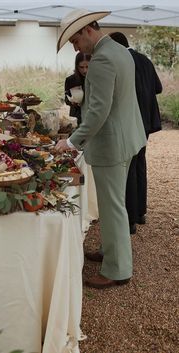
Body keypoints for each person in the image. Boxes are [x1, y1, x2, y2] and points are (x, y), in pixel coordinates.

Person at [55, 9, 147, 289]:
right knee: (111, 204)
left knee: (113, 206)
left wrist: (71, 142)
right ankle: (110, 251)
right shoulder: (119, 50)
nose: (75, 47)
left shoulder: (102, 59)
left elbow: (97, 113)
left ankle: (117, 270)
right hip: (127, 137)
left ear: (87, 30)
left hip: (112, 143)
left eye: (74, 40)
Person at [109, 32, 163, 234]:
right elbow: (158, 87)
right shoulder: (145, 60)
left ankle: (129, 219)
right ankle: (140, 212)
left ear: (115, 47)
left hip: (129, 121)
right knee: (140, 163)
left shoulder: (120, 61)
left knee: (128, 168)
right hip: (147, 121)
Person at [65, 52, 91, 126]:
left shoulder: (95, 79)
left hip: (91, 115)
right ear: (77, 66)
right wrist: (72, 102)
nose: (84, 70)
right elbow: (66, 99)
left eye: (87, 67)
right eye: (81, 67)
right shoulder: (71, 80)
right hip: (76, 117)